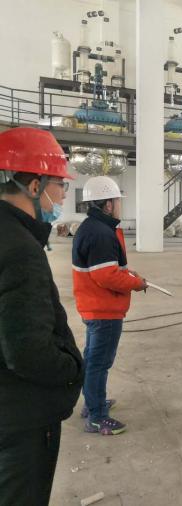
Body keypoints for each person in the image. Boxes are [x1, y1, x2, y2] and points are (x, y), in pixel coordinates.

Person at [0, 127, 83, 505]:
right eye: (60, 185)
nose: (63, 195)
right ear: (34, 186)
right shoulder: (21, 249)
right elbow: (27, 350)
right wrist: (72, 369)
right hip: (21, 418)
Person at [72, 176, 147, 435]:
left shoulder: (93, 227)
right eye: (117, 200)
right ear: (107, 204)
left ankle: (92, 403)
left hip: (95, 306)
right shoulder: (101, 233)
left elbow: (107, 267)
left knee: (93, 358)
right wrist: (135, 283)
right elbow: (106, 276)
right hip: (104, 309)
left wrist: (129, 273)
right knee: (99, 362)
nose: (119, 205)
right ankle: (97, 417)